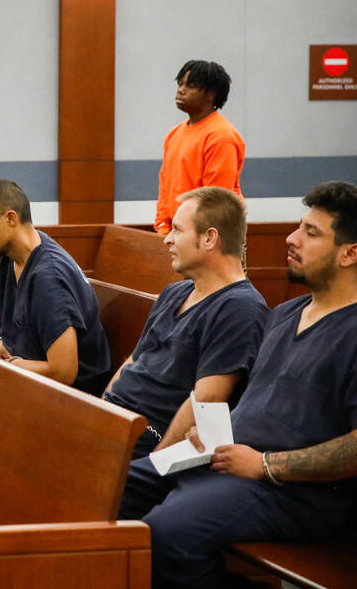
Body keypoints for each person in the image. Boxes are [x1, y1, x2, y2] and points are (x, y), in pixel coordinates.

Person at [119, 181, 357, 588]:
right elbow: (255, 403)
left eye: (311, 232)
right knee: (106, 486)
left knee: (164, 535)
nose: (292, 237)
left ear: (349, 253)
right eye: (299, 226)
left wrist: (266, 466)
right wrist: (208, 432)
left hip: (294, 490)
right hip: (222, 459)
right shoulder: (285, 315)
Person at [103, 187, 268, 459]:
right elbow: (133, 362)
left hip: (148, 440)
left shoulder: (240, 308)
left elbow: (205, 401)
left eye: (177, 230)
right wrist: (98, 413)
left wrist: (155, 464)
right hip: (115, 423)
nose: (167, 240)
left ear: (209, 239)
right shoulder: (175, 292)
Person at [0, 179, 111, 394]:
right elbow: (23, 329)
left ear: (10, 218)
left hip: (76, 401)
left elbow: (62, 372)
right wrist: (1, 343)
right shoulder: (7, 256)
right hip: (34, 384)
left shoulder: (48, 279)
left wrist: (9, 365)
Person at [154, 59, 244, 234]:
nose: (181, 90)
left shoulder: (221, 136)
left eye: (190, 86)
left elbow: (215, 200)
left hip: (205, 235)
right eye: (180, 84)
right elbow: (164, 188)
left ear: (210, 94)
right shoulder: (174, 133)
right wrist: (163, 227)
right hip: (177, 233)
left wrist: (191, 235)